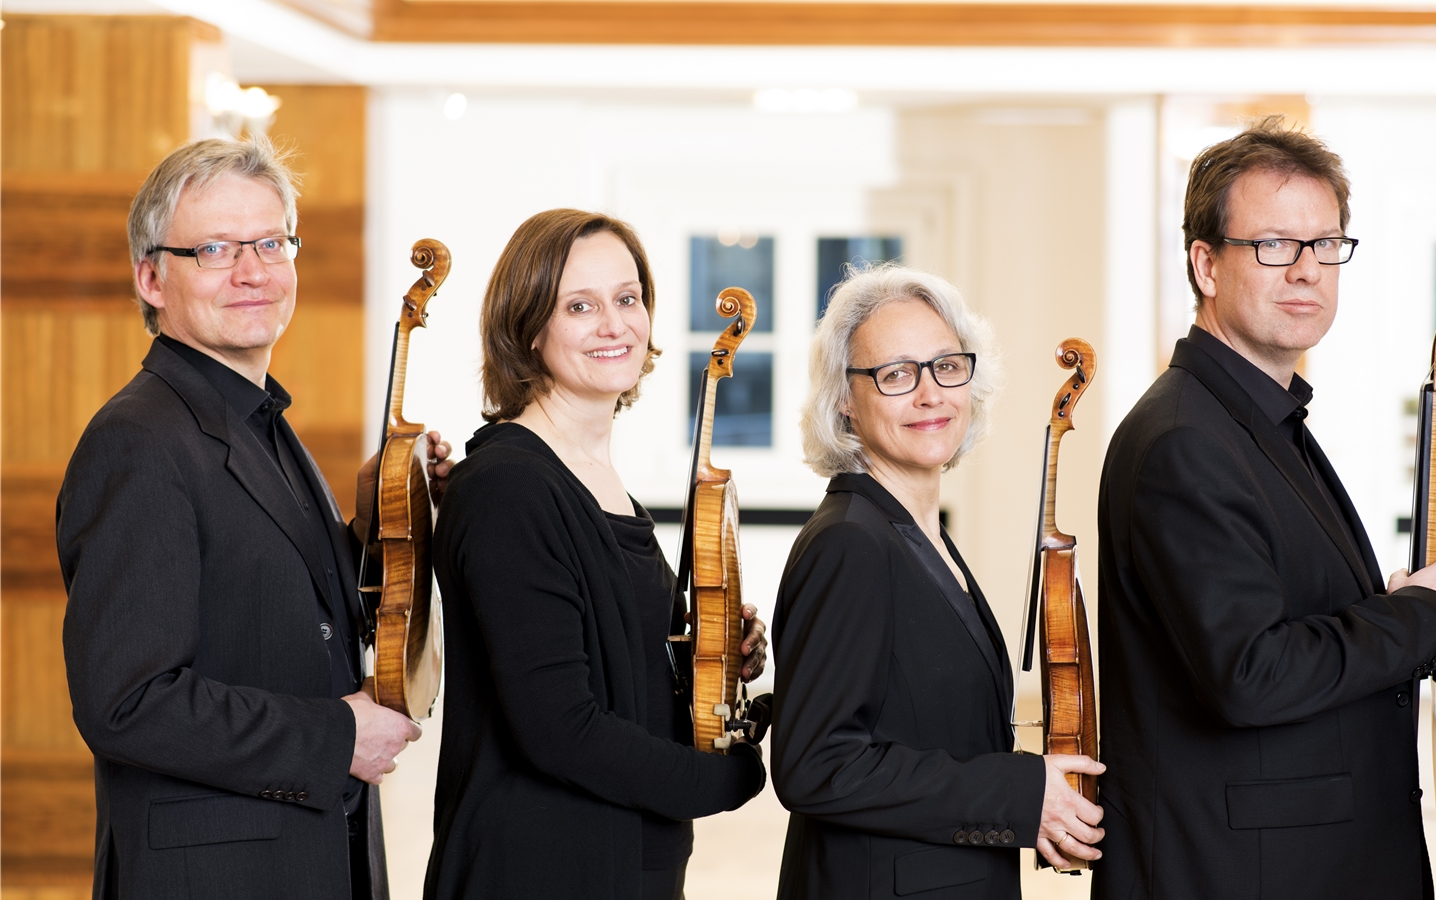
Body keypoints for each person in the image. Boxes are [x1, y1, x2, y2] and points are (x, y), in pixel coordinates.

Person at [1092, 117, 1436, 900]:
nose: (1306, 270)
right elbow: (1249, 675)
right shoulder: (1184, 441)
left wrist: (1392, 606)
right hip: (1246, 874)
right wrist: (1428, 613)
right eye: (1272, 245)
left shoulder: (1258, 420)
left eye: (1326, 244)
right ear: (1205, 264)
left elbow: (1275, 618)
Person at [58, 136, 450, 900]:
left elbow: (286, 612)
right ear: (151, 277)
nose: (253, 271)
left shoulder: (262, 421)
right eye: (213, 249)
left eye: (271, 242)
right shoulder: (137, 440)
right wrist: (336, 737)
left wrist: (380, 519)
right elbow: (126, 702)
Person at [423, 209, 768, 900]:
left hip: (616, 858)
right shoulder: (509, 486)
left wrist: (710, 655)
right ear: (528, 329)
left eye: (627, 298)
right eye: (580, 305)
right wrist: (724, 781)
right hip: (536, 868)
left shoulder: (597, 481)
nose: (614, 324)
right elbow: (559, 727)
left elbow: (624, 670)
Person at [770, 266, 1106, 900]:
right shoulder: (851, 543)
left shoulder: (914, 535)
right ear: (844, 398)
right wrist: (1018, 792)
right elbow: (816, 764)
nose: (930, 395)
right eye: (896, 374)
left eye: (946, 366)